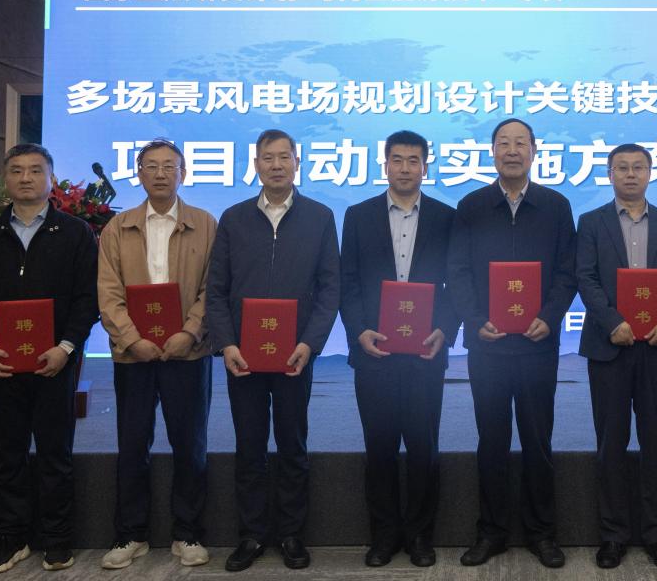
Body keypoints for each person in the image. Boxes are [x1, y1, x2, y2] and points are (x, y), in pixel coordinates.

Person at [0, 144, 99, 574]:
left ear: (50, 179)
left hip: (55, 363)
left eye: (36, 171)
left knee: (56, 453)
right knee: (9, 455)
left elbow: (87, 298)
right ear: (6, 180)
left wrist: (66, 347)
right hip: (2, 365)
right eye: (17, 171)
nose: (26, 178)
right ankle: (11, 539)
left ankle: (57, 540)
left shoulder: (74, 233)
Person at [204, 129, 341, 572]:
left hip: (294, 356)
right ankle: (251, 534)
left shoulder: (320, 217)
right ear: (256, 165)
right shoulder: (234, 217)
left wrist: (310, 343)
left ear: (298, 162)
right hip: (242, 356)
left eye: (285, 157)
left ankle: (291, 534)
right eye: (268, 158)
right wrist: (226, 343)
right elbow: (217, 289)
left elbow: (330, 288)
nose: (277, 165)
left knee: (292, 444)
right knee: (249, 446)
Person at [446, 118, 577, 568]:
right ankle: (492, 532)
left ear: (534, 151)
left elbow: (567, 271)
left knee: (538, 441)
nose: (512, 150)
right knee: (492, 440)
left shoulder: (555, 206)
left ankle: (542, 533)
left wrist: (550, 316)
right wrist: (474, 320)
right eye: (504, 143)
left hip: (538, 343)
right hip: (488, 345)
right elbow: (457, 270)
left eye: (521, 143)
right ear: (492, 151)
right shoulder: (472, 205)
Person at [96, 139, 218, 569]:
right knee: (132, 444)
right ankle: (131, 534)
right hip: (134, 356)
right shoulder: (118, 227)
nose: (161, 173)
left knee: (190, 445)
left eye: (170, 166)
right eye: (152, 166)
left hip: (189, 353)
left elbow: (214, 288)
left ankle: (188, 532)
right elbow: (108, 293)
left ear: (184, 173)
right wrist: (132, 340)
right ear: (139, 173)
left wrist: (190, 332)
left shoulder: (206, 224)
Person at [340, 130, 458, 568]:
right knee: (380, 446)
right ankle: (384, 535)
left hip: (426, 350)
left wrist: (445, 329)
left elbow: (456, 282)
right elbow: (348, 282)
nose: (405, 168)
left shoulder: (446, 217)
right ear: (385, 164)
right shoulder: (358, 215)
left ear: (425, 167)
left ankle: (420, 535)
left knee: (424, 446)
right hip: (376, 351)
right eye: (397, 159)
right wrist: (359, 331)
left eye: (413, 160)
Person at [575, 144, 657, 570]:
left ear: (650, 173)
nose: (630, 174)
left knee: (656, 441)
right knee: (611, 442)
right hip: (610, 346)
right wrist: (612, 322)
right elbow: (585, 277)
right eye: (621, 167)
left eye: (638, 167)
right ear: (609, 174)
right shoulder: (591, 222)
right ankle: (613, 535)